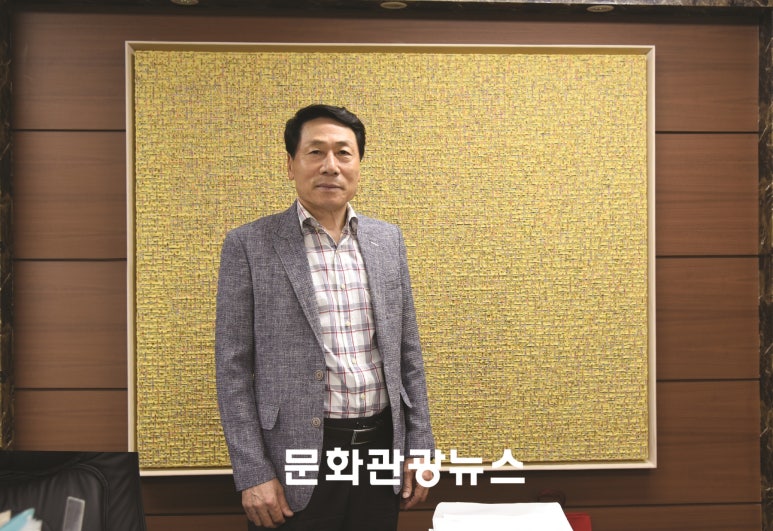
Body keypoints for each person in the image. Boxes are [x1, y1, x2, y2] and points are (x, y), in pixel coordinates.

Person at [215, 104, 435, 530]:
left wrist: (420, 445)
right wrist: (253, 472)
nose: (330, 166)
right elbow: (233, 368)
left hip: (381, 450)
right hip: (294, 455)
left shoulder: (387, 240)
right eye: (315, 152)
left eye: (343, 153)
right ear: (291, 165)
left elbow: (408, 353)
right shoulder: (249, 245)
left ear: (358, 165)